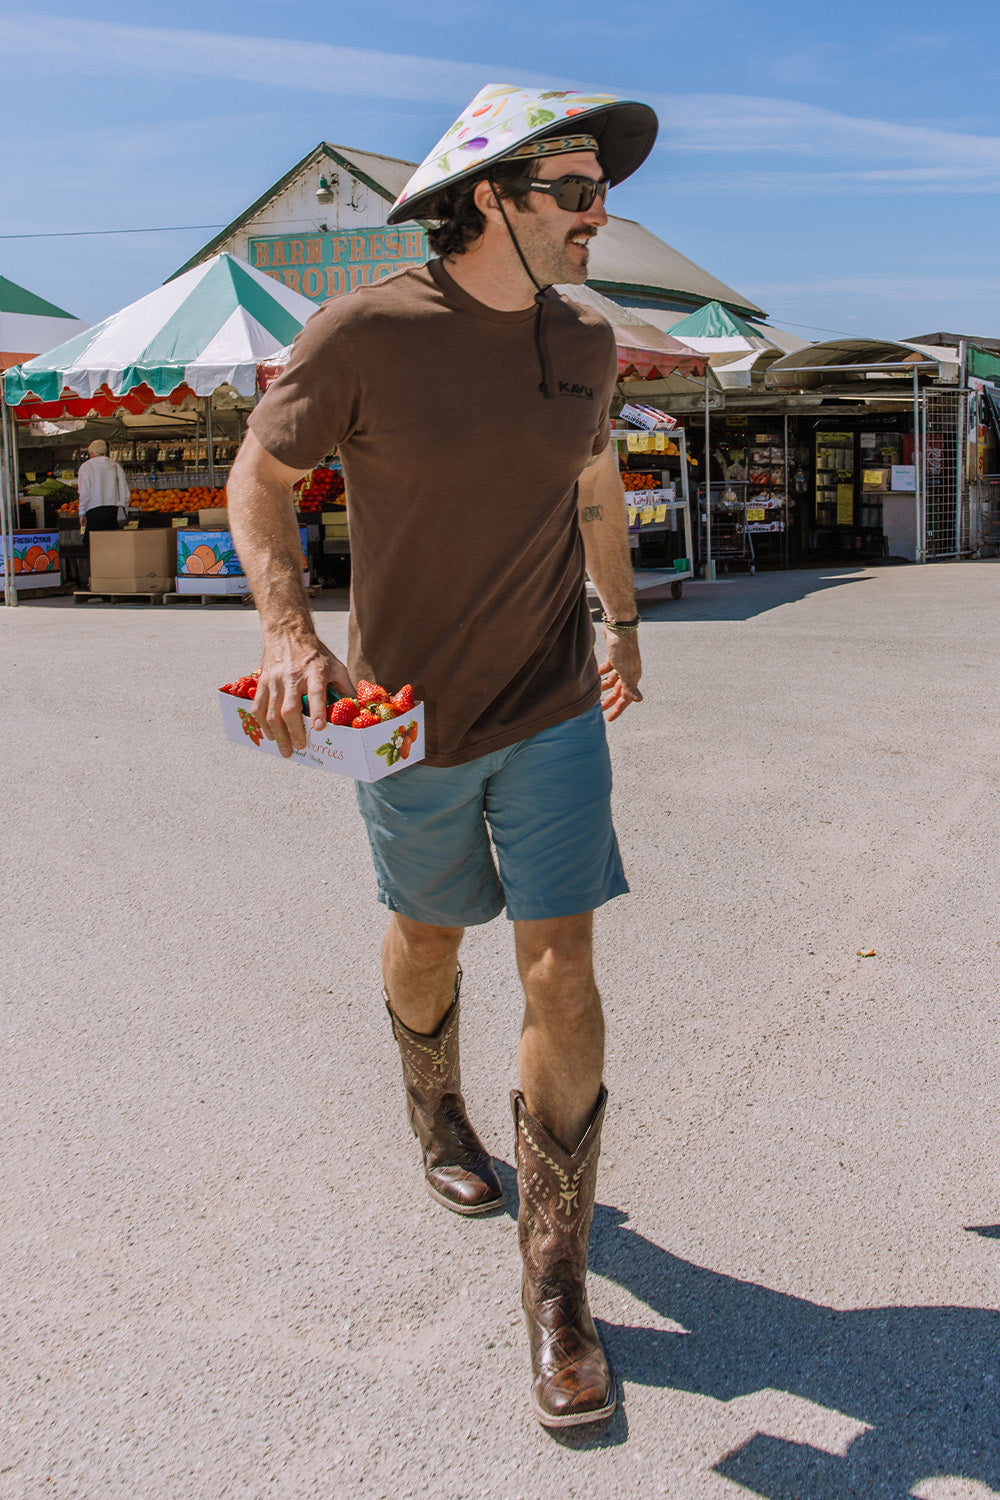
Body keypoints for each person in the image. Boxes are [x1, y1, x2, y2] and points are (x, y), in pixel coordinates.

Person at [226, 82, 657, 1429]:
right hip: (405, 722)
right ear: (491, 201)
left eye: (600, 191)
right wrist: (291, 634)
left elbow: (592, 485)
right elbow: (257, 478)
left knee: (562, 962)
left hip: (552, 705)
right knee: (427, 936)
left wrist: (622, 622)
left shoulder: (585, 337)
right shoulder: (364, 332)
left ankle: (555, 1280)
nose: (598, 215)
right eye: (575, 192)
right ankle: (436, 1113)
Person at [77, 439, 129, 534]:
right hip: (114, 510)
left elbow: (84, 492)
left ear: (91, 452)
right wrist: (124, 508)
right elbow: (124, 490)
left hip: (94, 510)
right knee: (112, 539)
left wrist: (82, 512)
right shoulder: (115, 466)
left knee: (93, 540)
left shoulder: (86, 467)